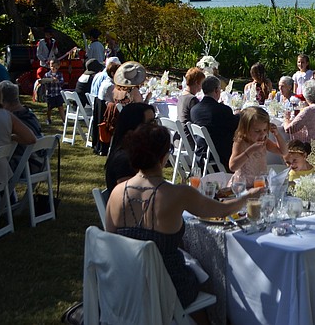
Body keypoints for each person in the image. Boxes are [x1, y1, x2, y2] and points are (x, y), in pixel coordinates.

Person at [105, 123, 260, 311]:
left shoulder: (116, 193)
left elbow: (110, 241)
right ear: (164, 158)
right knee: (210, 276)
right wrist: (249, 196)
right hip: (168, 288)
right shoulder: (178, 193)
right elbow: (222, 210)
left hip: (126, 284)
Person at [228, 106, 287, 187]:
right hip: (242, 185)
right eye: (257, 131)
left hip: (259, 184)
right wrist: (250, 151)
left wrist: (277, 134)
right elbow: (232, 166)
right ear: (245, 129)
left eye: (265, 130)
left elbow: (283, 152)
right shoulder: (241, 142)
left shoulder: (264, 141)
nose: (262, 134)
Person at [190, 75, 238, 172]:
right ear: (216, 90)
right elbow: (235, 126)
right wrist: (239, 115)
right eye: (220, 89)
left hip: (201, 151)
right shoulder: (223, 110)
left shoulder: (195, 110)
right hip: (219, 154)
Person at [104, 103, 156, 191]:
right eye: (150, 123)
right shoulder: (124, 160)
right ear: (134, 126)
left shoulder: (137, 152)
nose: (155, 127)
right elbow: (129, 196)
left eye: (154, 121)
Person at [0, 80, 46, 173]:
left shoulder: (14, 120)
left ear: (4, 101)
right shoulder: (29, 114)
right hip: (40, 162)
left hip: (27, 165)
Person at [176, 67, 205, 144]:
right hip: (188, 140)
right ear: (196, 82)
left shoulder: (181, 96)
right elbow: (200, 120)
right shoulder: (192, 100)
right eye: (202, 83)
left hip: (178, 137)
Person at [43, 59, 66, 125]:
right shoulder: (47, 74)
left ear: (58, 66)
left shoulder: (59, 74)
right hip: (50, 94)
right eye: (51, 66)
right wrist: (45, 81)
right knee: (49, 107)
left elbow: (62, 83)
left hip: (57, 93)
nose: (53, 68)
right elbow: (44, 83)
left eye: (55, 66)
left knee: (60, 106)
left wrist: (57, 81)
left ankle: (64, 120)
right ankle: (48, 119)